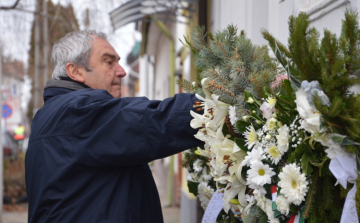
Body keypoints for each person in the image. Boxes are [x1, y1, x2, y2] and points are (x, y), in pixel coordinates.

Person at [25, 30, 202, 223]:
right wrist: (214, 107)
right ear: (75, 71)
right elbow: (153, 121)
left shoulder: (55, 113)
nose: (122, 71)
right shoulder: (78, 112)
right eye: (109, 62)